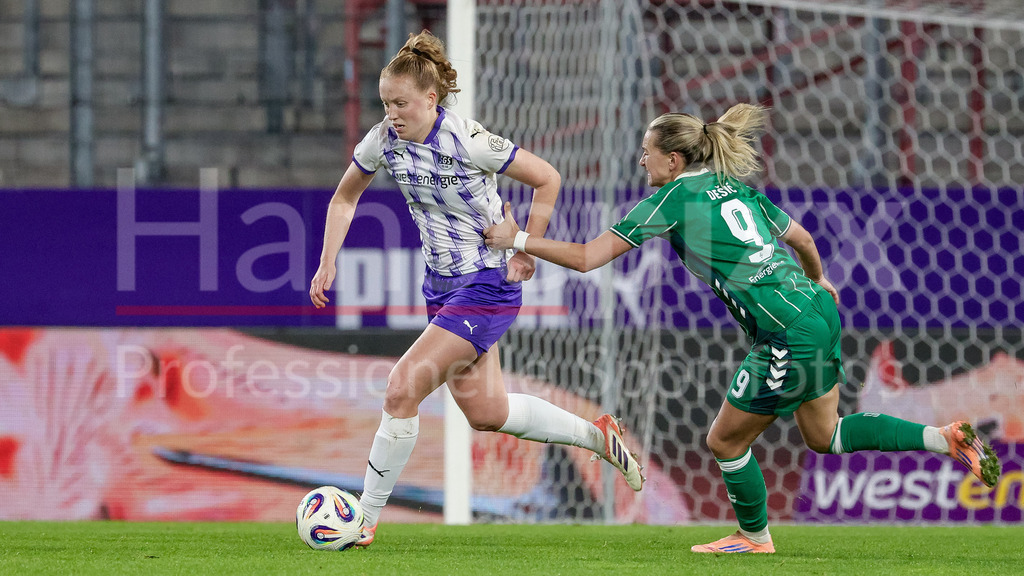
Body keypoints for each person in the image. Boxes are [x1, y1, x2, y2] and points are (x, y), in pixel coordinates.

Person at [484, 103, 1001, 553]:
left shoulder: (669, 200)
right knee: (826, 434)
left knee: (725, 443)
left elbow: (586, 257)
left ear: (674, 159)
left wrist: (519, 239)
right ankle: (944, 437)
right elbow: (801, 239)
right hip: (815, 311)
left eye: (647, 151)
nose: (641, 159)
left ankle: (754, 538)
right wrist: (820, 280)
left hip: (785, 332)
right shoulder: (734, 187)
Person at [309, 30, 644, 547]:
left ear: (430, 99)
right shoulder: (383, 140)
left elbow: (548, 178)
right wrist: (328, 260)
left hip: (487, 283)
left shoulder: (467, 139)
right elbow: (343, 199)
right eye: (385, 103)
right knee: (489, 413)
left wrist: (527, 245)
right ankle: (598, 436)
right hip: (442, 288)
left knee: (402, 387)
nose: (392, 113)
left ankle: (364, 520)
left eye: (401, 103)